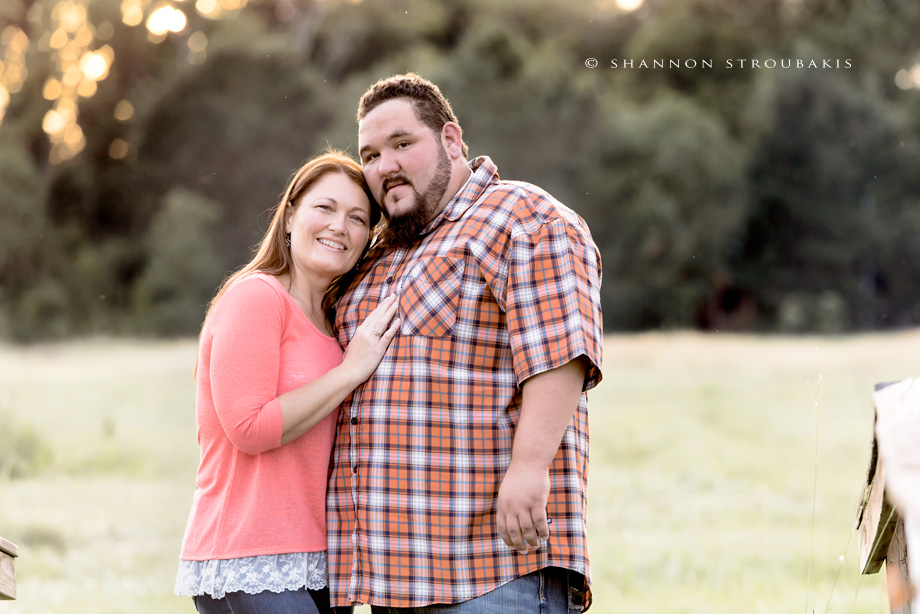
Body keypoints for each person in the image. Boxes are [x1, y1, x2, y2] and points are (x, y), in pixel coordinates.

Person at [328, 74, 604, 613]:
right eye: (371, 154)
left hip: (492, 568)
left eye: (402, 144)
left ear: (452, 140)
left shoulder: (521, 217)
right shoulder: (380, 252)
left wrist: (529, 466)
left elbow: (560, 353)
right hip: (392, 577)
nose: (385, 166)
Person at [175, 151, 400, 614]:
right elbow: (249, 428)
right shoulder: (257, 297)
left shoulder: (333, 320)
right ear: (292, 214)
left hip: (321, 559)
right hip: (247, 555)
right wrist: (350, 372)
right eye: (325, 208)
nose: (340, 225)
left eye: (358, 218)